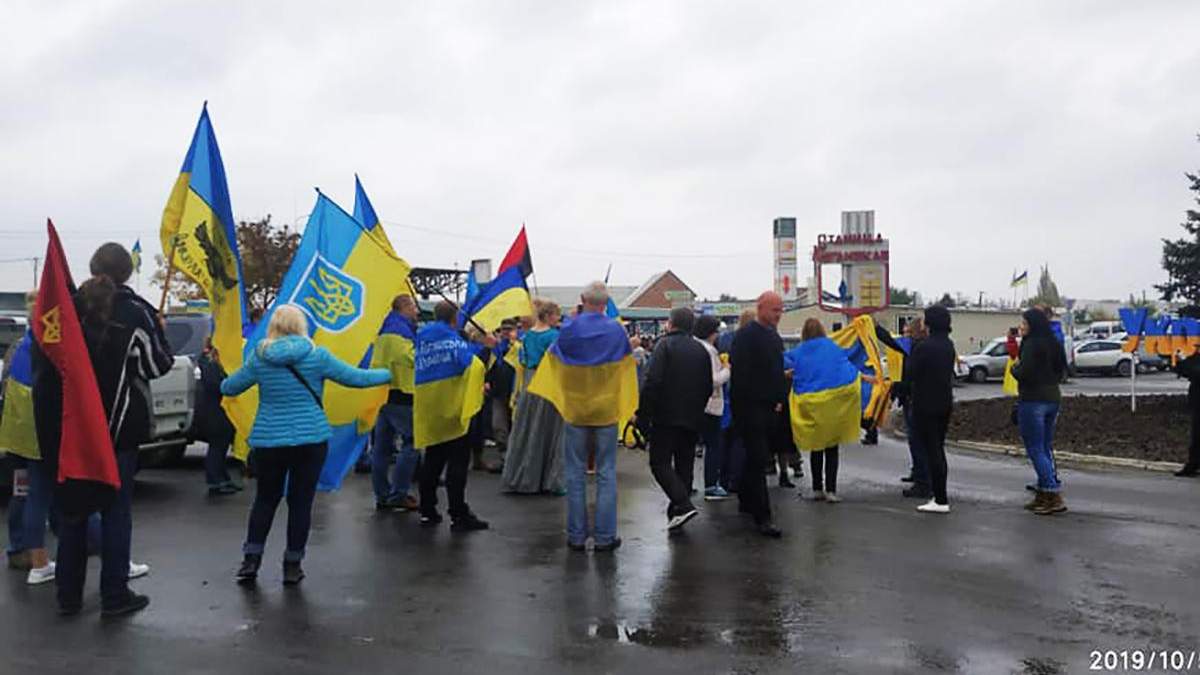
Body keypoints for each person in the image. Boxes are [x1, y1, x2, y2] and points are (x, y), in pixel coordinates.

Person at [223, 304, 391, 585]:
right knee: (300, 503)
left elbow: (229, 388)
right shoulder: (317, 356)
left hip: (269, 441)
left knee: (265, 500)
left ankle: (251, 560)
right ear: (301, 325)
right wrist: (389, 374)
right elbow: (357, 379)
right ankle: (292, 565)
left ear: (273, 326)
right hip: (310, 439)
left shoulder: (260, 357)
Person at [36, 270, 172, 616]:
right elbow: (158, 365)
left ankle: (68, 597)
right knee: (116, 514)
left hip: (73, 432)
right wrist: (161, 333)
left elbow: (44, 367)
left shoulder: (62, 313)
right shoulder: (135, 313)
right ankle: (114, 595)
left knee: (74, 513)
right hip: (118, 432)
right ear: (124, 273)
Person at [528, 282, 636, 552]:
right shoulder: (616, 330)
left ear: (582, 299)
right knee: (606, 472)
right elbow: (626, 366)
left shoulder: (568, 330)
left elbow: (553, 363)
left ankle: (576, 536)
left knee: (575, 473)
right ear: (605, 303)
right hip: (606, 409)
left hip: (575, 409)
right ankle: (605, 537)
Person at [414, 302, 491, 532]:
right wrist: (486, 347)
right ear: (455, 318)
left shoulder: (422, 337)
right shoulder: (451, 338)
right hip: (453, 405)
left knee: (432, 460)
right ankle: (459, 514)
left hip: (430, 405)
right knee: (457, 463)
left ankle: (427, 510)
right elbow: (470, 363)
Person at [638, 307, 712, 531]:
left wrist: (643, 416)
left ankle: (683, 503)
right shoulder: (700, 350)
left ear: (670, 324)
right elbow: (707, 385)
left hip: (666, 416)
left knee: (659, 463)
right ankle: (678, 512)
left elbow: (652, 382)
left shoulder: (664, 346)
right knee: (684, 463)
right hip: (693, 416)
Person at [729, 292, 787, 537]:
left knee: (756, 458)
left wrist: (779, 399)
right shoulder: (745, 337)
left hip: (769, 407)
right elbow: (740, 376)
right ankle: (763, 517)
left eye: (780, 310)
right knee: (758, 458)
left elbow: (776, 370)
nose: (778, 315)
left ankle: (746, 498)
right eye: (775, 310)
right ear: (761, 308)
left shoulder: (773, 336)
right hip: (750, 408)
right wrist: (743, 408)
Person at [501, 300, 566, 494]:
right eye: (556, 315)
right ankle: (549, 480)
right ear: (549, 315)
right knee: (550, 431)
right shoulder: (554, 336)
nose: (558, 318)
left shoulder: (527, 336)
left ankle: (522, 476)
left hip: (529, 385)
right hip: (548, 384)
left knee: (526, 430)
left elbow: (523, 360)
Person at [1011, 308, 1069, 515]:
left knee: (1035, 449)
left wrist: (1014, 368)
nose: (1021, 327)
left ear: (1032, 325)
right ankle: (1044, 491)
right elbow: (1062, 370)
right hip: (1053, 398)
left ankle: (1052, 493)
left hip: (1033, 399)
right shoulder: (1053, 343)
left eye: (1024, 323)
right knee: (1044, 446)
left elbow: (1024, 371)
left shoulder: (1032, 344)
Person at [369, 295, 421, 511]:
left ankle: (382, 494)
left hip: (382, 394)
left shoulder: (384, 330)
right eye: (414, 306)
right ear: (405, 307)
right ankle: (398, 493)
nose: (417, 311)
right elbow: (410, 359)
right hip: (402, 393)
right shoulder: (400, 332)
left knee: (381, 448)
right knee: (412, 443)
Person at [908, 305, 957, 514]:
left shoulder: (924, 347)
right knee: (938, 449)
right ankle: (939, 495)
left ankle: (940, 498)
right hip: (944, 402)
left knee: (932, 451)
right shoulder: (948, 345)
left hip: (925, 403)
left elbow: (911, 373)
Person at [694, 315, 732, 500]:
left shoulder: (694, 346)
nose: (718, 335)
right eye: (716, 331)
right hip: (711, 404)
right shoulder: (710, 351)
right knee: (713, 446)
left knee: (689, 446)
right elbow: (714, 380)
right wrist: (727, 369)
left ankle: (686, 484)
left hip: (695, 404)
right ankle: (711, 485)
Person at [197, 341, 239, 496]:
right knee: (217, 446)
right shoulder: (210, 364)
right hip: (215, 411)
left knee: (221, 446)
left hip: (218, 410)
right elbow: (216, 385)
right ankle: (215, 480)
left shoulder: (212, 362)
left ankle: (223, 477)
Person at [897, 319, 932, 499]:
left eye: (909, 333)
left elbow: (913, 377)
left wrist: (899, 388)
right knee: (914, 441)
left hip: (916, 400)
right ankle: (918, 473)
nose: (906, 337)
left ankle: (923, 481)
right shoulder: (914, 348)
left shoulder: (919, 349)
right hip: (910, 398)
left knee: (918, 441)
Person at [485, 319, 519, 474]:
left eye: (509, 329)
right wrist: (487, 381)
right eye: (503, 329)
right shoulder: (496, 349)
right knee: (498, 426)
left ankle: (514, 460)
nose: (506, 332)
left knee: (515, 426)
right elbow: (488, 366)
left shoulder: (519, 347)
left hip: (514, 392)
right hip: (498, 393)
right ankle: (504, 457)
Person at [1176, 349, 1200, 477]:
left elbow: (1195, 372)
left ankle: (1193, 465)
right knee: (1196, 437)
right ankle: (1193, 465)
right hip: (1196, 402)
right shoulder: (1195, 357)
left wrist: (1184, 362)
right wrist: (1179, 362)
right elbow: (1185, 371)